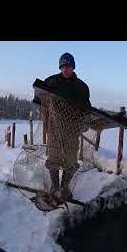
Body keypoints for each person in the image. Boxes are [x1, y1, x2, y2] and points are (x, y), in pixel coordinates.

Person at [41, 52, 91, 201]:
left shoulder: (81, 87)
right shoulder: (52, 81)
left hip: (72, 129)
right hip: (55, 128)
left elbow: (86, 109)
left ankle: (64, 187)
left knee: (70, 160)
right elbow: (40, 97)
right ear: (60, 67)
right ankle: (54, 186)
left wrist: (84, 123)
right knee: (53, 157)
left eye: (68, 66)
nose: (65, 69)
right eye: (63, 67)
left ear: (73, 67)